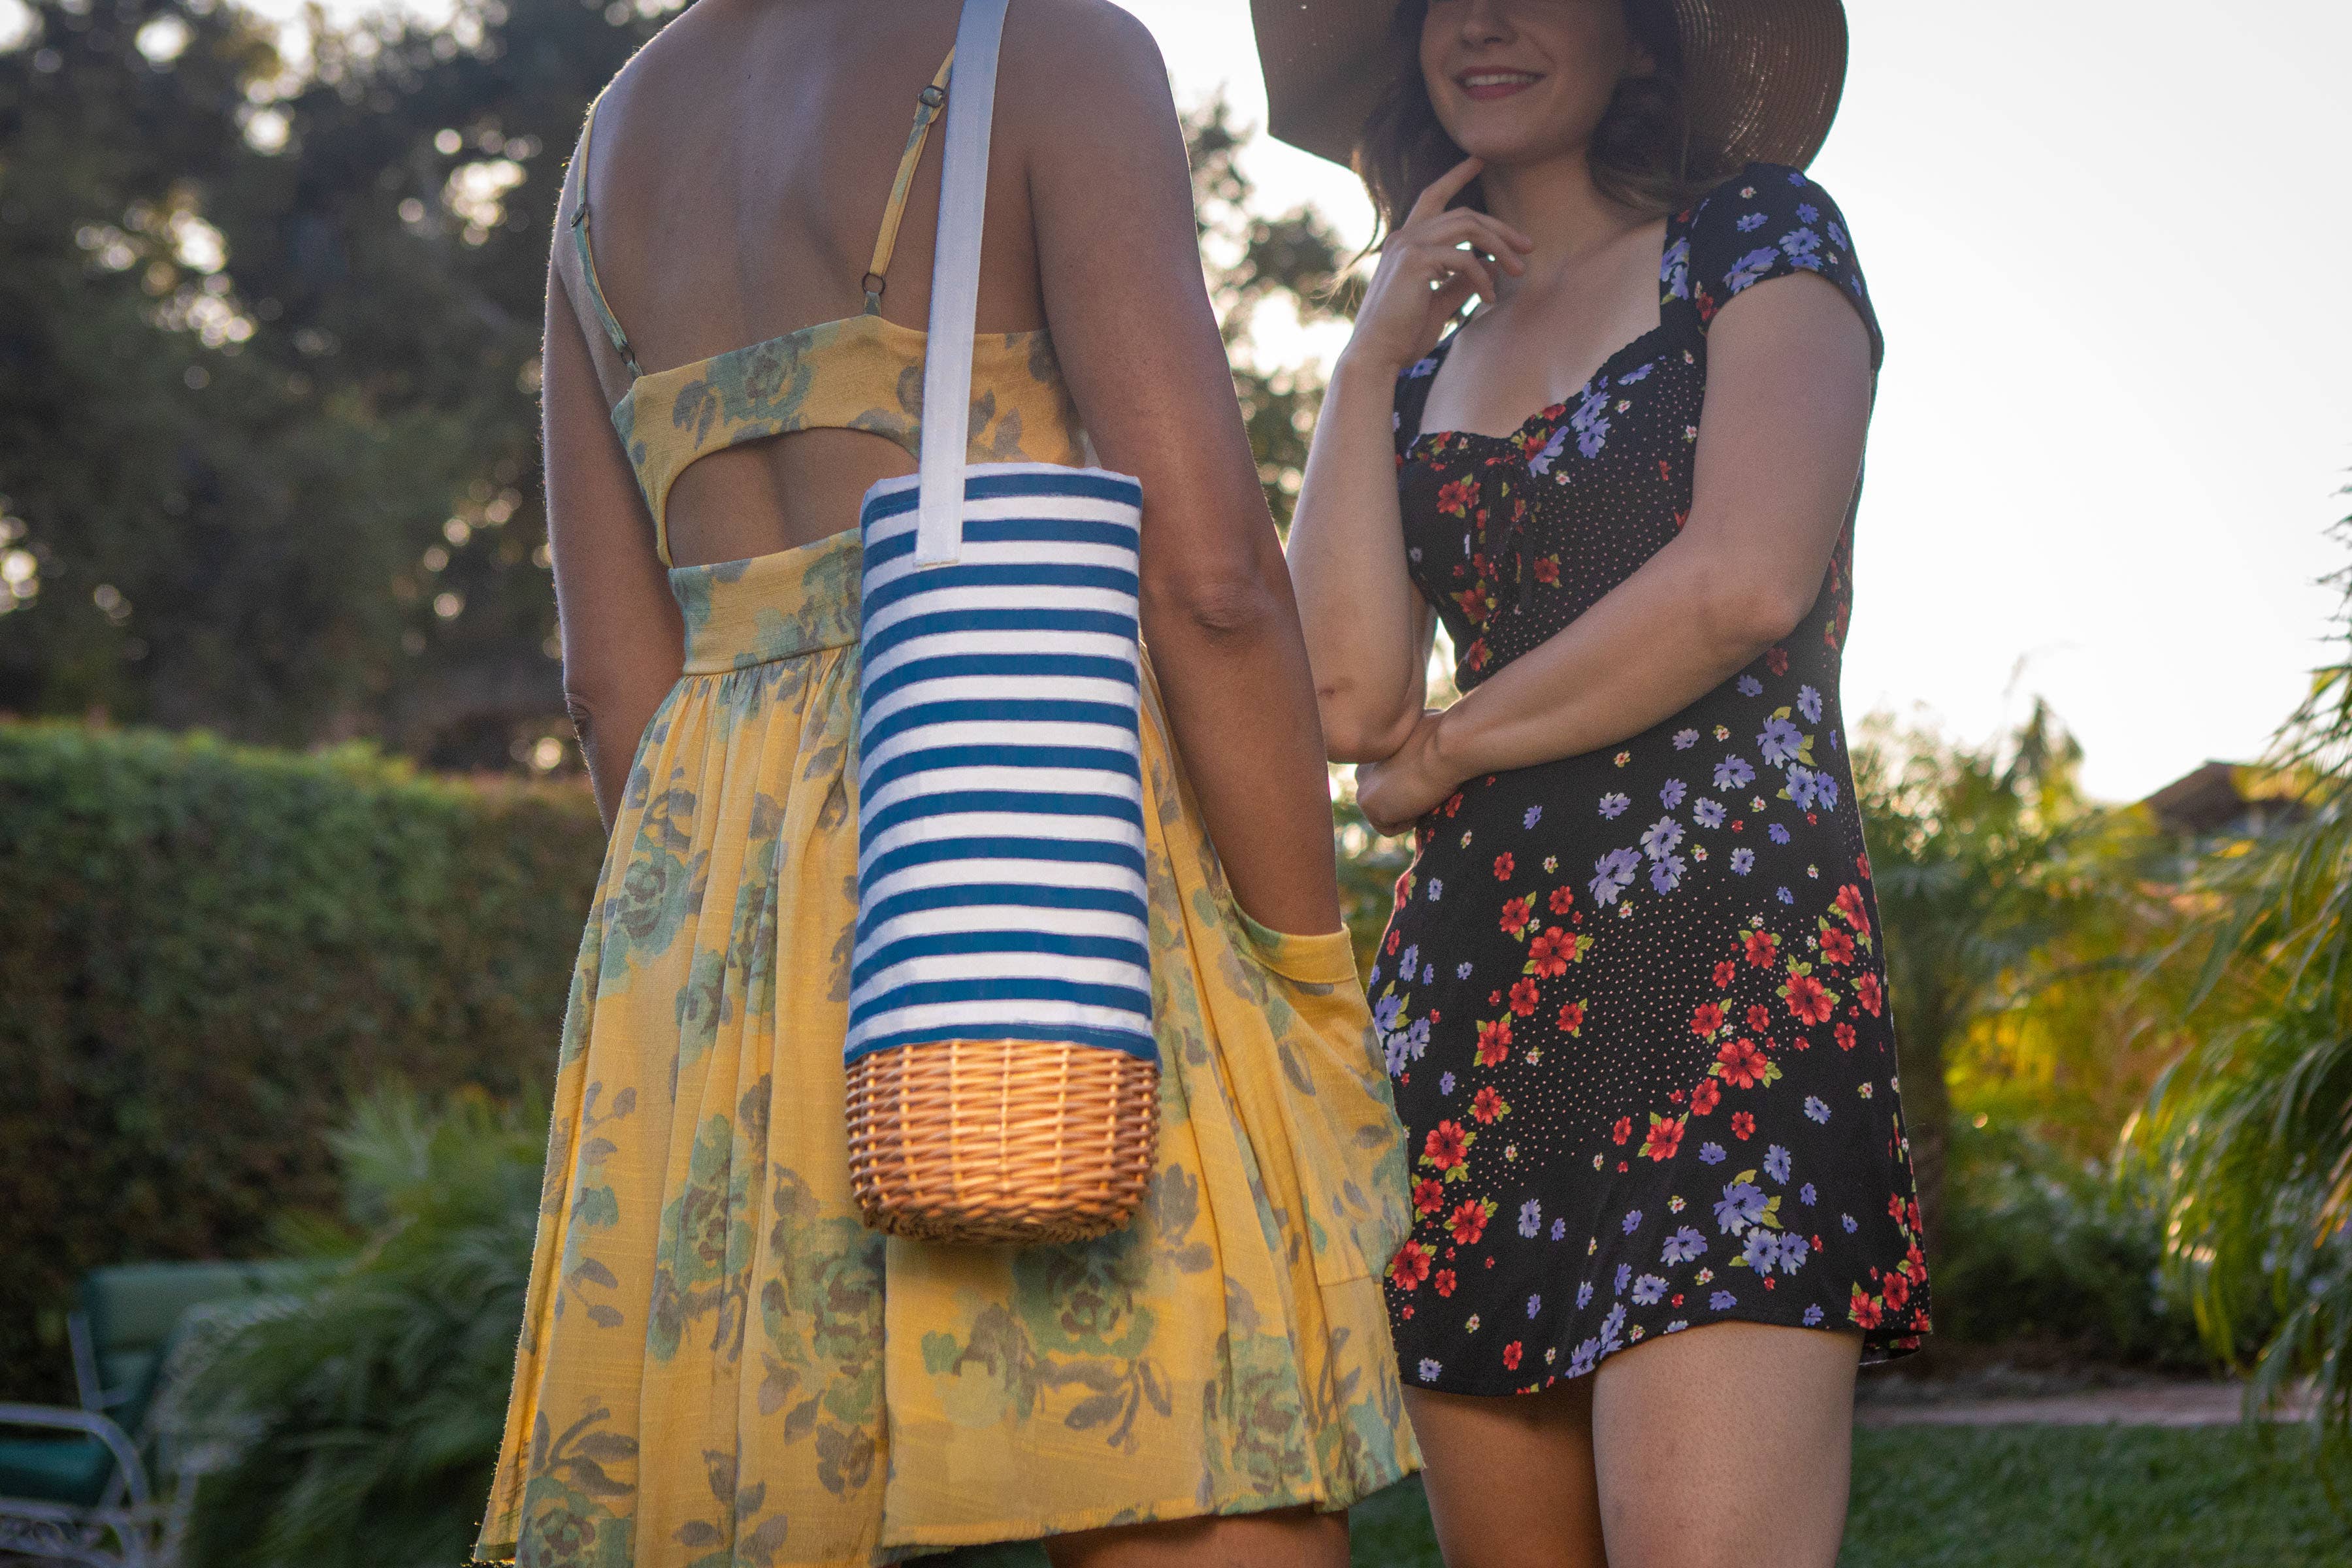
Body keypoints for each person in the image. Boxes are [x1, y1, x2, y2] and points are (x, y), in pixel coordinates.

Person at [474, 2, 1417, 1564]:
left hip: (713, 934)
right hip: (1024, 846)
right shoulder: (1048, 48)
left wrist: (758, 941)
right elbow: (1210, 582)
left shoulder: (609, 144)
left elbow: (612, 686)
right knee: (1187, 1474)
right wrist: (1306, 968)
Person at [1269, 0, 1931, 1563]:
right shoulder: (1427, 359)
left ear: (1642, 38)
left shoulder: (1759, 238)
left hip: (1725, 988)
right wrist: (1367, 365)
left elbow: (1745, 584)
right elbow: (1343, 692)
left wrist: (1453, 744)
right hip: (1469, 1018)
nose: (1482, 22)